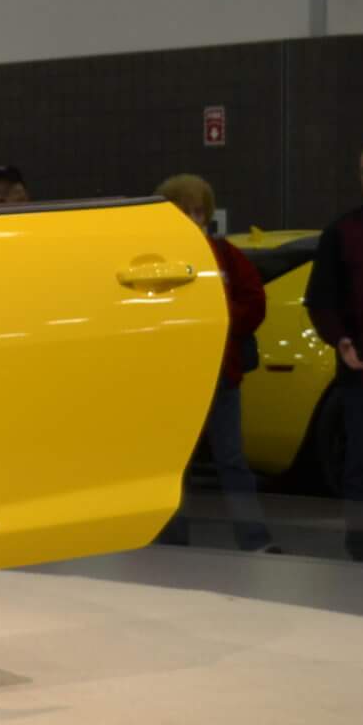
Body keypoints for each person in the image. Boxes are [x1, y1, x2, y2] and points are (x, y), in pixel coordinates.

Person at [153, 175, 275, 553]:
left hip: (221, 373)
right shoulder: (157, 261)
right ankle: (172, 539)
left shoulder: (224, 254)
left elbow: (255, 301)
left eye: (199, 210)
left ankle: (254, 539)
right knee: (175, 465)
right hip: (174, 377)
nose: (194, 218)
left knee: (232, 460)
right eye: (184, 210)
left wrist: (218, 320)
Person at [305, 138, 363, 562]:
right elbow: (319, 299)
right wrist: (341, 341)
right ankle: (360, 545)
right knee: (362, 465)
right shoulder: (342, 233)